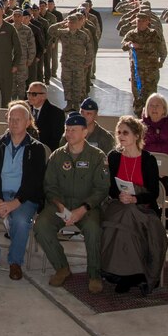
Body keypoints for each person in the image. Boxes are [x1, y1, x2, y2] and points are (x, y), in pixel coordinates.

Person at [34, 112, 110, 292]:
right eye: (67, 130)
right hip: (60, 205)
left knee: (93, 229)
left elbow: (101, 189)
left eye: (74, 130)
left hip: (87, 207)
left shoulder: (97, 157)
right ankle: (62, 267)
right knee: (41, 226)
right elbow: (49, 186)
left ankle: (94, 274)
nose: (69, 134)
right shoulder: (57, 156)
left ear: (85, 132)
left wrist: (82, 209)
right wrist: (60, 206)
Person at [0, 102, 49, 281]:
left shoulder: (36, 149)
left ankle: (15, 261)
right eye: (11, 119)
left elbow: (35, 182)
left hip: (24, 197)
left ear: (28, 123)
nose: (14, 123)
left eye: (19, 119)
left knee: (22, 221)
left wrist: (15, 202)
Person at [101, 115, 168, 295]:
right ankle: (130, 274)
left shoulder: (148, 160)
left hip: (142, 206)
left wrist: (135, 199)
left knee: (128, 217)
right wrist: (120, 195)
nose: (121, 136)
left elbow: (153, 193)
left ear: (137, 135)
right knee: (123, 215)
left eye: (126, 132)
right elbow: (109, 188)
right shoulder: (114, 157)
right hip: (118, 203)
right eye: (119, 132)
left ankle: (125, 275)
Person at [120, 12, 167, 112]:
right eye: (138, 21)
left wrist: (139, 46)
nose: (140, 23)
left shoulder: (153, 33)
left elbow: (154, 47)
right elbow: (123, 45)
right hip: (137, 69)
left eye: (143, 21)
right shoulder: (132, 34)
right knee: (137, 91)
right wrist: (128, 44)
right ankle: (138, 109)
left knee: (151, 92)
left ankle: (150, 112)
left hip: (151, 69)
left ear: (148, 22)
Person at [140, 93, 168, 187]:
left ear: (164, 109)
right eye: (151, 105)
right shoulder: (139, 127)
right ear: (147, 108)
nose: (154, 108)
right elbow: (134, 149)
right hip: (145, 169)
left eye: (157, 105)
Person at [24, 81, 63, 152]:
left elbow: (55, 141)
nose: (30, 97)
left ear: (44, 96)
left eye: (34, 94)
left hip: (44, 152)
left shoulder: (56, 113)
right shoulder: (23, 108)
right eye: (28, 93)